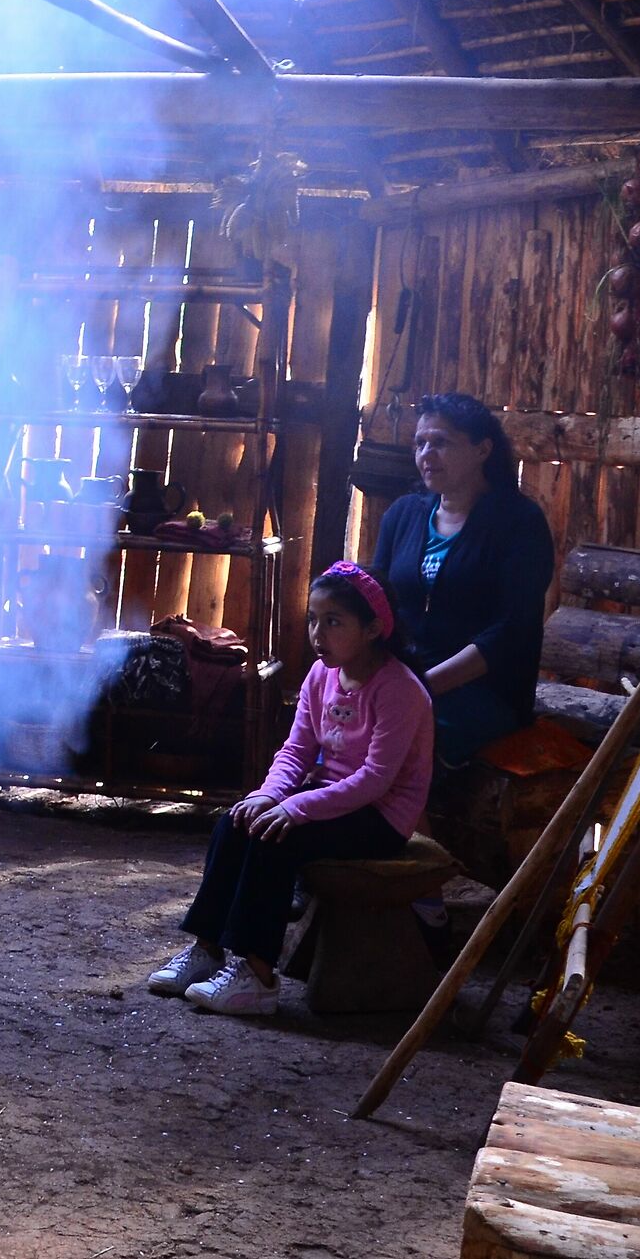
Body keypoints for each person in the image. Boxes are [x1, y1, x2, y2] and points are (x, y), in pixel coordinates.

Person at [147, 563, 434, 1016]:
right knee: (236, 821)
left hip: (380, 817)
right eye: (313, 620)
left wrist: (296, 809)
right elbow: (296, 751)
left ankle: (258, 976)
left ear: (374, 629)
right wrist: (268, 795)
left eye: (334, 622)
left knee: (275, 839)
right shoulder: (321, 675)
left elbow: (374, 780)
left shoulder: (400, 690)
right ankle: (207, 949)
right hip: (330, 798)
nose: (318, 634)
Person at [370, 392, 556, 769]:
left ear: (482, 450)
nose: (426, 454)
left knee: (393, 740)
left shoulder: (519, 523)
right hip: (406, 682)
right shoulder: (403, 514)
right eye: (420, 443)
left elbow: (511, 633)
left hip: (483, 693)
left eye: (440, 442)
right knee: (339, 726)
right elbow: (375, 603)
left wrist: (422, 687)